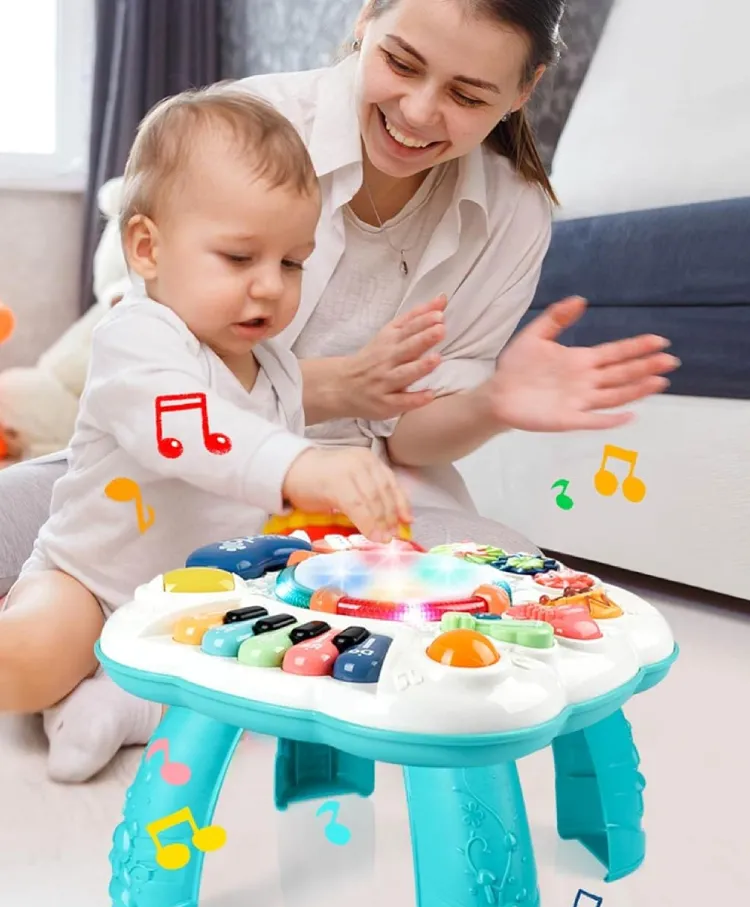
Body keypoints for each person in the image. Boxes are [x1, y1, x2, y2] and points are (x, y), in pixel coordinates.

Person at [0, 0, 679, 770]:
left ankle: (136, 692)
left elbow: (398, 435)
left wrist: (492, 402)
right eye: (401, 63)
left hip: (285, 520)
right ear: (365, 19)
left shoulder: (514, 212)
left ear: (523, 91)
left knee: (487, 590)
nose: (420, 113)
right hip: (146, 487)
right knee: (30, 575)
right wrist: (324, 422)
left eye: (466, 96)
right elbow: (162, 400)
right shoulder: (240, 130)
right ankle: (125, 663)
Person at [0, 85, 412, 782]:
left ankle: (120, 705)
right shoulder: (137, 336)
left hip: (202, 596)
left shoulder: (276, 368)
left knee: (275, 675)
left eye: (291, 262)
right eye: (239, 257)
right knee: (25, 661)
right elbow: (191, 432)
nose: (270, 287)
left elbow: (261, 499)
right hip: (89, 582)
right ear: (147, 248)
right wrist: (303, 464)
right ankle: (73, 685)